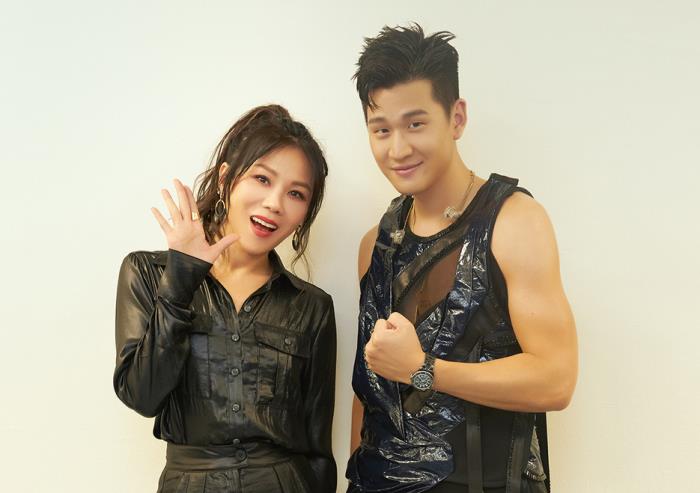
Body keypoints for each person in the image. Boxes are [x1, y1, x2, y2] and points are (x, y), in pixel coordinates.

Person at [346, 25, 578, 493]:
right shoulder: (377, 243)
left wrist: (423, 369)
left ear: (456, 118)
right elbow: (371, 387)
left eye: (415, 124)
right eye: (381, 129)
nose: (398, 149)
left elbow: (556, 380)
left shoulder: (515, 222)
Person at [113, 105, 337, 493]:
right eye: (262, 179)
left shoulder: (311, 306)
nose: (275, 203)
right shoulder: (148, 273)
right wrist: (181, 280)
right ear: (225, 177)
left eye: (296, 193)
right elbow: (142, 396)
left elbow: (317, 448)